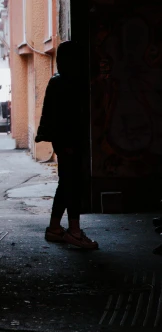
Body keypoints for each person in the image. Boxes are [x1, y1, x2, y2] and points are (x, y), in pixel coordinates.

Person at [35, 40, 98, 250]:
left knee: (66, 183)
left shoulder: (59, 81)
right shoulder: (66, 83)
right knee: (72, 185)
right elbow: (66, 118)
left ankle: (55, 228)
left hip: (65, 142)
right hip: (69, 142)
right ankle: (74, 231)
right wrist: (69, 143)